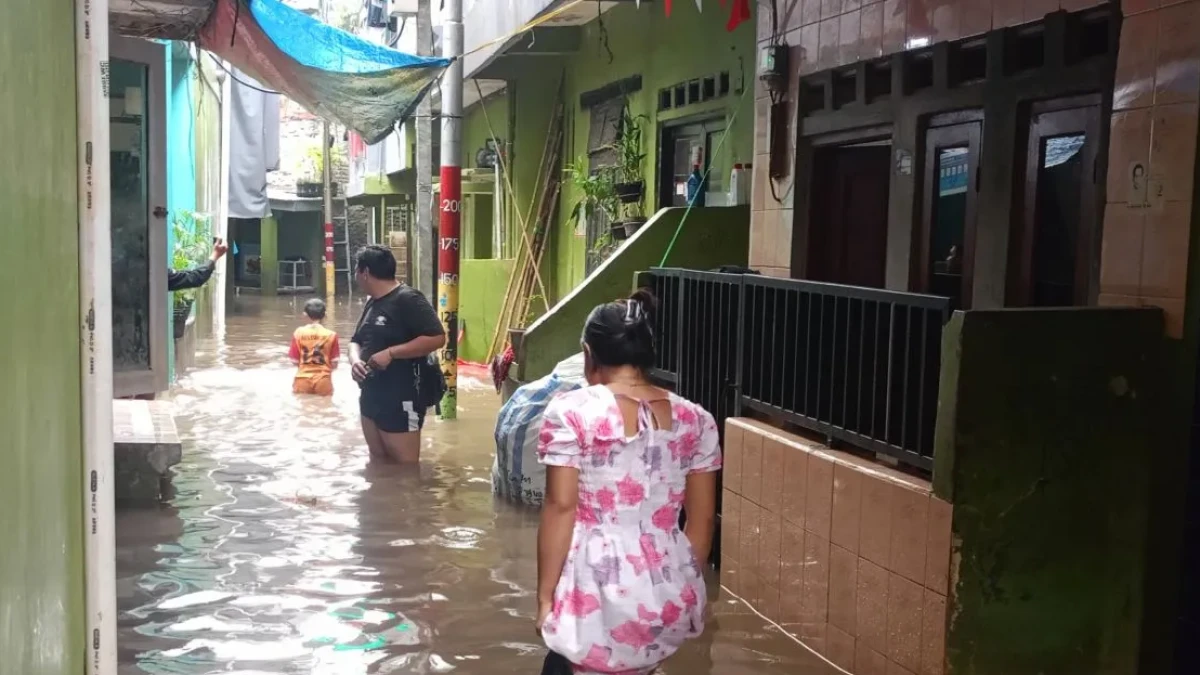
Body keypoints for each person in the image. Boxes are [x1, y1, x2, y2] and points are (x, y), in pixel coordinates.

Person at [535, 289, 722, 675]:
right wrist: (677, 583)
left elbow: (561, 507)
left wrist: (544, 596)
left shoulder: (572, 412)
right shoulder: (697, 420)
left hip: (594, 585)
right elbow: (702, 521)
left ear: (589, 354)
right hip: (666, 588)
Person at [349, 245, 446, 463]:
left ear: (365, 272)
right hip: (371, 393)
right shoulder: (372, 302)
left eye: (356, 270)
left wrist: (391, 353)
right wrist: (355, 361)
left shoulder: (408, 299)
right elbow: (356, 340)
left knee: (405, 469)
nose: (355, 276)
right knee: (378, 461)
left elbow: (438, 337)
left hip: (403, 396)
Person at [288, 298, 340, 396]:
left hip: (302, 379)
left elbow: (294, 361)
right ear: (325, 315)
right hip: (323, 380)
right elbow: (334, 363)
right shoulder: (331, 335)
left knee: (302, 408)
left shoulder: (298, 333)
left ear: (305, 315)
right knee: (326, 407)